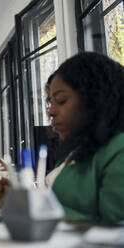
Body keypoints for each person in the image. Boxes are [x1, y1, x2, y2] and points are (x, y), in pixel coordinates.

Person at [45, 52, 124, 224]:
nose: (51, 111)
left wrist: (43, 211)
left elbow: (116, 230)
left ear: (95, 99)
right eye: (50, 102)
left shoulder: (119, 151)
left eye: (61, 100)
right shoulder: (78, 153)